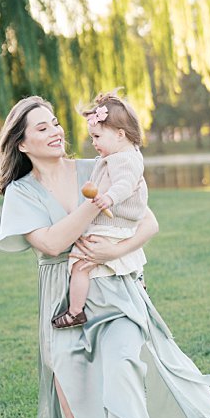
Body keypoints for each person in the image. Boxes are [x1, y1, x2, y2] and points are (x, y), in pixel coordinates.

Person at [0, 96, 210, 418]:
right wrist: (95, 205)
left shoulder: (96, 166)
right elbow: (50, 243)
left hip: (116, 289)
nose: (56, 132)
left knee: (121, 373)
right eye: (43, 128)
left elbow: (149, 222)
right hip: (63, 300)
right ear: (22, 143)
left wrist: (113, 251)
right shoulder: (21, 192)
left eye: (55, 123)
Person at [52, 90, 148, 329]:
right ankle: (139, 283)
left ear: (119, 134)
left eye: (97, 136)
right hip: (121, 225)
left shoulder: (123, 159)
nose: (93, 143)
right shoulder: (124, 155)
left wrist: (108, 198)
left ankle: (75, 311)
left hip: (114, 224)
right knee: (107, 259)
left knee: (79, 263)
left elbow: (124, 184)